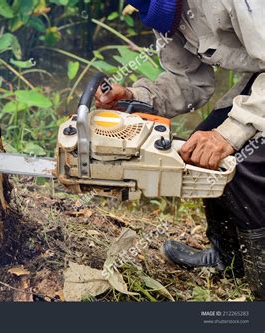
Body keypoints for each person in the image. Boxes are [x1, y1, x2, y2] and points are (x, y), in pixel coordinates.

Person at [95, 0, 264, 299]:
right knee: (201, 146)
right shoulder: (165, 13)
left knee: (241, 163)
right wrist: (137, 98)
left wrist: (233, 133)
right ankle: (229, 259)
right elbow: (188, 80)